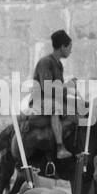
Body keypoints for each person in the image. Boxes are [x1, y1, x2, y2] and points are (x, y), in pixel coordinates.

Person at [32, 30, 74, 160]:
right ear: (63, 47)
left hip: (53, 99)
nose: (70, 51)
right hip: (41, 100)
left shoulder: (58, 64)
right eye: (69, 47)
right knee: (55, 107)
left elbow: (58, 88)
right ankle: (60, 147)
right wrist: (68, 88)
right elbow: (48, 89)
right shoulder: (45, 62)